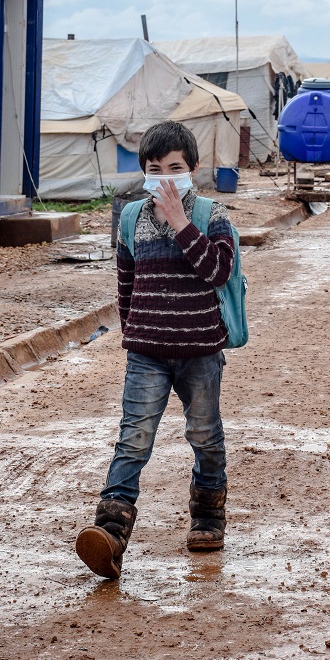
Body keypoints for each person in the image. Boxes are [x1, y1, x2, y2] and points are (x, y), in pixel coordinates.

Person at [76, 121, 235, 579]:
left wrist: (183, 224)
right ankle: (110, 533)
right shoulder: (131, 218)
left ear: (193, 169)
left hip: (200, 351)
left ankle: (207, 516)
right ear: (144, 172)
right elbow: (126, 284)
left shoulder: (211, 215)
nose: (165, 176)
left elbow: (219, 272)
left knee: (204, 434)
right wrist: (134, 333)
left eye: (175, 167)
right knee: (133, 438)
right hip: (147, 352)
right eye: (154, 168)